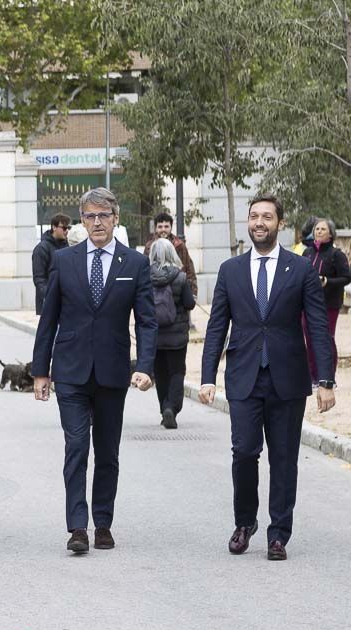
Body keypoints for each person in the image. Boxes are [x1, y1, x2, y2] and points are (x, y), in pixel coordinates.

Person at [201, 196, 336, 561]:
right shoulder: (231, 270)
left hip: (287, 379)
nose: (259, 222)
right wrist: (207, 376)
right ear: (248, 222)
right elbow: (217, 327)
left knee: (284, 458)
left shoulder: (301, 269)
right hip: (244, 377)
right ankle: (244, 523)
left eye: (267, 217)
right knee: (244, 452)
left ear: (280, 223)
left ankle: (279, 533)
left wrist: (325, 379)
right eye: (254, 216)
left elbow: (319, 328)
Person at [32, 187, 157, 554]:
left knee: (107, 452)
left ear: (115, 219)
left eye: (104, 215)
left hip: (112, 372)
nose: (97, 222)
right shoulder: (65, 261)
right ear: (81, 221)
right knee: (76, 446)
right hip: (70, 370)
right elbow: (49, 318)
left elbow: (147, 321)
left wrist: (146, 366)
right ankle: (77, 527)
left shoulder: (134, 263)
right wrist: (41, 371)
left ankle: (103, 522)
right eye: (90, 216)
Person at [148, 239, 195, 429]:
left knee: (160, 373)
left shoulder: (145, 277)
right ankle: (171, 407)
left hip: (155, 335)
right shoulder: (180, 277)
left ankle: (163, 408)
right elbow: (189, 303)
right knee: (176, 372)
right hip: (177, 336)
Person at [301, 217, 349, 384]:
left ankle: (329, 377)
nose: (319, 231)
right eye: (317, 229)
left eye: (322, 229)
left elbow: (346, 277)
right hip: (308, 304)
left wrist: (327, 281)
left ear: (331, 234)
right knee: (309, 337)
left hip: (329, 304)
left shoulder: (337, 255)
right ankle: (313, 376)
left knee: (326, 338)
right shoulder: (307, 253)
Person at [142, 212, 198, 296]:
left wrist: (192, 293)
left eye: (166, 226)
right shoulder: (149, 246)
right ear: (156, 228)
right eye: (160, 227)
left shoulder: (179, 245)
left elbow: (189, 269)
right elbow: (144, 270)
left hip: (177, 292)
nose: (163, 229)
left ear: (171, 227)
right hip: (155, 293)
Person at [32, 213, 70, 315]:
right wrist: (49, 296)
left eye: (68, 228)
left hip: (67, 303)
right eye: (64, 228)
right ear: (54, 227)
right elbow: (39, 278)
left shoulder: (68, 247)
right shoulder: (41, 248)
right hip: (49, 304)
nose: (67, 231)